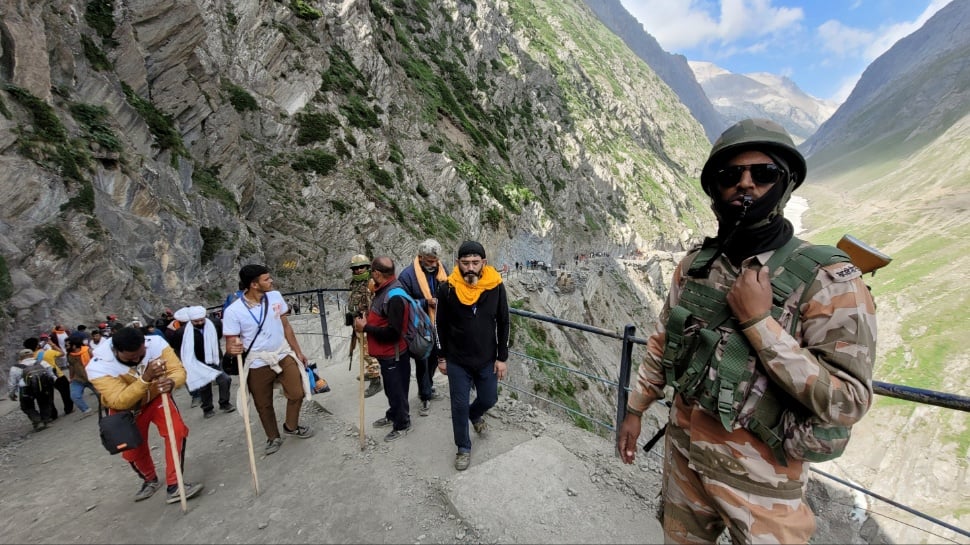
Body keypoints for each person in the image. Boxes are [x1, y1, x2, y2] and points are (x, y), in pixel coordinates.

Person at [616, 119, 877, 544]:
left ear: (785, 182)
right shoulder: (696, 267)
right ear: (714, 189)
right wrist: (635, 409)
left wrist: (760, 325)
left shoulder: (828, 281)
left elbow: (847, 401)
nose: (745, 184)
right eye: (730, 176)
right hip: (684, 458)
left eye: (763, 173)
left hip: (763, 484)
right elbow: (664, 341)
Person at [87, 327, 204, 504]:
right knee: (132, 450)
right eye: (130, 357)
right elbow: (119, 400)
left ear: (144, 345)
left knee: (176, 432)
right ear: (116, 351)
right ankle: (149, 479)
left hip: (157, 397)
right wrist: (145, 378)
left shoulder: (156, 344)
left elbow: (177, 370)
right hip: (125, 410)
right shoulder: (98, 366)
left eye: (140, 355)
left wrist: (172, 382)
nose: (136, 359)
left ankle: (175, 485)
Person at [223, 264, 315, 455]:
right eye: (266, 279)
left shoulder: (275, 297)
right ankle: (272, 437)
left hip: (282, 353)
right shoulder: (233, 311)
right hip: (257, 361)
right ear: (254, 284)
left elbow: (286, 325)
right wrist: (233, 348)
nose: (271, 281)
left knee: (297, 392)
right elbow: (231, 342)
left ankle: (291, 426)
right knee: (263, 403)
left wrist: (297, 351)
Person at [434, 241, 509, 471]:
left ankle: (475, 415)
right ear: (458, 263)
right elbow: (440, 325)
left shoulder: (495, 286)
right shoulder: (447, 288)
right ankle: (463, 448)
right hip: (457, 359)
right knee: (458, 405)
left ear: (483, 263)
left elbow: (504, 322)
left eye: (475, 263)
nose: (470, 268)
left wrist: (502, 357)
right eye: (465, 263)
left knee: (489, 399)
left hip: (486, 357)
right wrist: (442, 357)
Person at [353, 256, 412, 442]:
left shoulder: (394, 296)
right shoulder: (385, 290)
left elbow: (393, 332)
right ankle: (393, 413)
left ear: (377, 273)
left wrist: (366, 328)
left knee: (397, 390)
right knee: (391, 389)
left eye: (372, 272)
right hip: (387, 354)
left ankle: (402, 423)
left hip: (393, 354)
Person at [396, 239, 447, 416]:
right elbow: (403, 303)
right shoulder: (407, 276)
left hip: (438, 324)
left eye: (435, 260)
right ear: (420, 257)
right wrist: (426, 302)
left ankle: (429, 386)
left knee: (434, 358)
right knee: (422, 362)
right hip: (418, 327)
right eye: (429, 261)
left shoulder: (442, 269)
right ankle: (424, 395)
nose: (433, 264)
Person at [168, 306, 234, 419]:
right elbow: (178, 347)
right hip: (197, 362)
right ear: (190, 321)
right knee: (204, 386)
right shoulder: (182, 332)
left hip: (214, 359)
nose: (199, 323)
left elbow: (219, 335)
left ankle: (224, 403)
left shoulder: (214, 324)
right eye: (196, 321)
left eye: (201, 320)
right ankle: (207, 408)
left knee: (225, 380)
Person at [347, 254, 382, 398]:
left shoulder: (371, 283)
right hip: (358, 321)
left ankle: (376, 381)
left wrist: (369, 322)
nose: (359, 270)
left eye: (362, 267)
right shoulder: (355, 283)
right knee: (362, 349)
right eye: (356, 268)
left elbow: (375, 304)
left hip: (367, 322)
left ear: (367, 267)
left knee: (369, 352)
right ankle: (371, 371)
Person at [8, 348, 57, 430]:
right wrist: (53, 383)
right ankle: (46, 420)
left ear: (21, 358)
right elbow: (51, 374)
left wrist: (12, 394)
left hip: (26, 389)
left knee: (27, 406)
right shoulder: (41, 362)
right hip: (43, 387)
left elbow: (12, 382)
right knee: (45, 403)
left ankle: (37, 421)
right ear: (32, 355)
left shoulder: (15, 368)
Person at [25, 337, 73, 417]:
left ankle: (53, 414)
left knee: (48, 397)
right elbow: (62, 353)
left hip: (43, 379)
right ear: (37, 345)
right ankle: (68, 408)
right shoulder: (47, 352)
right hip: (57, 375)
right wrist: (52, 344)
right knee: (65, 393)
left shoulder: (30, 358)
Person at [65, 335, 97, 417]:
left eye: (67, 345)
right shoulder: (69, 355)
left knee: (102, 393)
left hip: (92, 377)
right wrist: (71, 378)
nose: (65, 347)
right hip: (78, 379)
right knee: (74, 396)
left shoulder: (88, 351)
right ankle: (86, 410)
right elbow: (71, 367)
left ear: (74, 345)